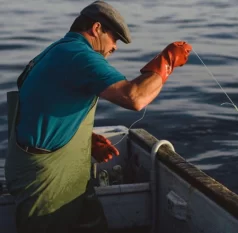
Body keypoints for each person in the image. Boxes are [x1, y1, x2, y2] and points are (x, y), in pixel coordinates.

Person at [4, 1, 192, 233]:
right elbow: (135, 97)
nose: (114, 48)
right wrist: (167, 61)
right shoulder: (78, 55)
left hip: (61, 169)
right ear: (96, 29)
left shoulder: (56, 51)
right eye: (114, 39)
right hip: (47, 180)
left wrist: (85, 140)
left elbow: (43, 106)